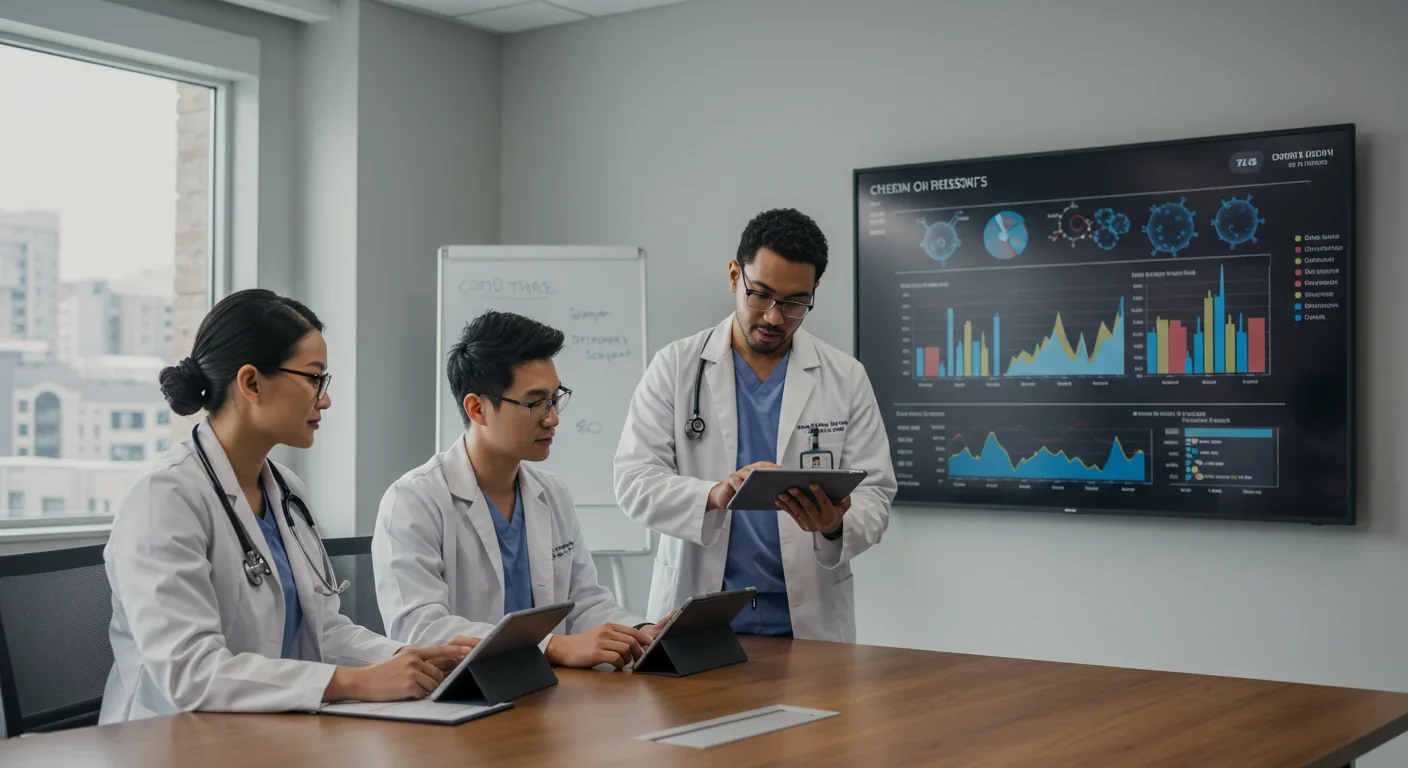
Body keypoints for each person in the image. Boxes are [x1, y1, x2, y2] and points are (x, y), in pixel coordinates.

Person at [102, 290, 473, 724]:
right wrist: (356, 682)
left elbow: (324, 632)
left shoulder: (285, 489)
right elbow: (190, 673)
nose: (325, 399)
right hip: (170, 736)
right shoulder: (164, 497)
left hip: (264, 727)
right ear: (251, 383)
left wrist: (408, 659)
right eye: (314, 378)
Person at [614, 208, 897, 642]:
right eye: (760, 295)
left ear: (814, 291)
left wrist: (834, 524)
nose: (774, 318)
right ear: (734, 276)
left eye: (795, 302)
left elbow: (875, 493)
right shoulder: (675, 367)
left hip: (808, 622)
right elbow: (634, 481)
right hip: (697, 615)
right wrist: (713, 495)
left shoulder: (845, 377)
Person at [373, 311, 667, 670]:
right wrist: (552, 647)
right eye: (536, 402)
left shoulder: (552, 493)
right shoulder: (413, 501)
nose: (553, 418)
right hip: (460, 692)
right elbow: (420, 628)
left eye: (555, 399)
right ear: (477, 408)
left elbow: (584, 603)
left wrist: (641, 631)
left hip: (549, 688)